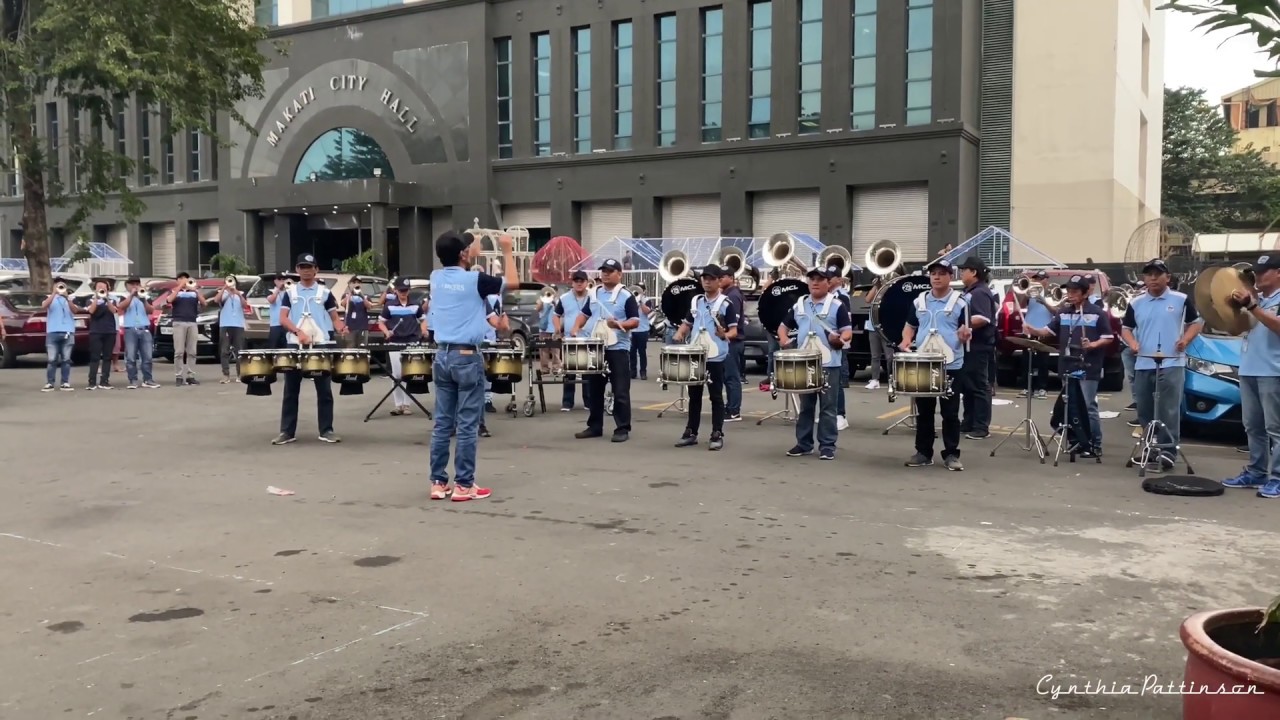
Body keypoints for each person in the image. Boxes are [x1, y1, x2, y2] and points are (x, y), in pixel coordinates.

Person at [427, 230, 518, 502]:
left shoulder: (435, 278)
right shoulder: (475, 280)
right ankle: (464, 484)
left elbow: (457, 268)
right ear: (463, 254)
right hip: (466, 355)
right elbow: (512, 282)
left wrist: (470, 248)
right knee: (467, 422)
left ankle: (438, 482)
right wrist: (507, 250)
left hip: (442, 354)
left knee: (443, 422)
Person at [1120, 258, 1202, 471]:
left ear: (1168, 277)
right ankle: (1151, 446)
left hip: (1172, 361)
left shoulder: (1180, 299)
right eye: (1149, 274)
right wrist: (1133, 343)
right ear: (1144, 278)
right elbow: (1126, 328)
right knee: (1145, 408)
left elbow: (1196, 323)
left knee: (1168, 408)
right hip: (1144, 361)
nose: (1153, 278)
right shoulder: (1136, 303)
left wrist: (1185, 340)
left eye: (1158, 274)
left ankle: (1168, 450)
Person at [1026, 275, 1112, 458]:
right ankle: (1079, 441)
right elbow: (1047, 331)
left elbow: (1108, 337)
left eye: (1074, 292)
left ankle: (1095, 444)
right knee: (1070, 405)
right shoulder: (1063, 312)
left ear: (1085, 293)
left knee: (1088, 405)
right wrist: (1032, 330)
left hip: (1088, 365)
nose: (1070, 295)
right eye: (1069, 291)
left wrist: (1093, 344)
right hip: (1067, 364)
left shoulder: (1097, 313)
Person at [898, 259, 971, 471]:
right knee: (925, 411)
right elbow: (910, 326)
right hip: (924, 363)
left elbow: (965, 329)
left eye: (941, 273)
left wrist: (965, 335)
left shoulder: (960, 302)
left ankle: (951, 454)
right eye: (933, 274)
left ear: (950, 276)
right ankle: (923, 452)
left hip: (951, 364)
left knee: (950, 412)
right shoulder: (919, 301)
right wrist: (906, 340)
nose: (936, 277)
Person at [778, 267, 854, 460]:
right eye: (812, 279)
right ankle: (804, 443)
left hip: (829, 362)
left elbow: (847, 331)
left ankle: (827, 445)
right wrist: (784, 339)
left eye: (820, 279)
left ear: (828, 283)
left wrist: (840, 339)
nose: (815, 282)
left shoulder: (837, 305)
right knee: (806, 406)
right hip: (804, 362)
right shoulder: (799, 305)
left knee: (828, 406)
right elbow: (783, 327)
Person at [273, 253, 347, 445]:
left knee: (324, 389)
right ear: (297, 270)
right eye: (302, 266)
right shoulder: (290, 293)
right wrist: (298, 332)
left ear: (316, 269)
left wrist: (340, 327)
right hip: (294, 344)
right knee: (291, 389)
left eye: (309, 266)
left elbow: (334, 317)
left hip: (320, 344)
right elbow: (283, 318)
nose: (306, 270)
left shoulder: (325, 293)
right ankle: (287, 432)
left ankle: (326, 430)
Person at [1222, 255, 1280, 497]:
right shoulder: (1257, 299)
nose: (1258, 275)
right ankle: (1256, 472)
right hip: (1248, 368)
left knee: (1275, 428)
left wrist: (1253, 307)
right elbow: (1239, 328)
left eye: (1265, 271)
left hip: (1273, 371)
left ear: (1278, 273)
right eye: (1257, 271)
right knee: (1253, 427)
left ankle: (1277, 477)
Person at [572, 258, 640, 442]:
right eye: (603, 271)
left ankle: (622, 428)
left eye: (610, 271)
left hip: (617, 348)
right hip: (596, 347)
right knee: (594, 388)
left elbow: (635, 320)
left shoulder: (626, 295)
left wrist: (619, 325)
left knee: (620, 389)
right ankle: (594, 426)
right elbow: (584, 314)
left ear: (619, 274)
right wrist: (575, 327)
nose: (606, 274)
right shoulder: (594, 293)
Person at [672, 264, 739, 450]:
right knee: (694, 395)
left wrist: (724, 334)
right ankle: (691, 431)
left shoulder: (726, 304)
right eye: (704, 278)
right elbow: (687, 323)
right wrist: (678, 334)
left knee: (716, 396)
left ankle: (717, 432)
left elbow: (734, 331)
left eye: (711, 278)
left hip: (715, 356)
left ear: (719, 281)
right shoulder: (696, 301)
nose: (707, 281)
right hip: (696, 354)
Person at [956, 257, 996, 440]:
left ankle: (981, 427)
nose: (961, 273)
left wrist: (960, 324)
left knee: (979, 386)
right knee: (968, 385)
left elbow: (983, 318)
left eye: (964, 269)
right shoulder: (969, 291)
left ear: (973, 272)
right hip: (968, 346)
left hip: (978, 345)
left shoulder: (979, 292)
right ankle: (968, 422)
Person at [377, 277, 428, 416]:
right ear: (396, 291)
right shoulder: (389, 306)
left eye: (405, 290)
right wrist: (386, 331)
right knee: (397, 375)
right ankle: (398, 404)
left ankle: (406, 404)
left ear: (409, 290)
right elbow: (381, 322)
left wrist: (423, 330)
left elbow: (423, 320)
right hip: (395, 343)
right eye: (401, 290)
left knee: (409, 374)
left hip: (411, 342)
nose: (403, 293)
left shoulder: (416, 305)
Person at [553, 271, 594, 411]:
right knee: (569, 371)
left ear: (586, 282)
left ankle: (588, 402)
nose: (579, 283)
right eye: (576, 280)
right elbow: (556, 315)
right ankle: (567, 402)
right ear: (572, 282)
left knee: (588, 371)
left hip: (590, 339)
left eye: (581, 281)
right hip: (571, 340)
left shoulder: (593, 297)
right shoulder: (564, 298)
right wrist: (558, 330)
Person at [1018, 270, 1055, 400]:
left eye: (1041, 279)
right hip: (1029, 328)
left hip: (1044, 329)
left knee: (1043, 361)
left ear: (1046, 281)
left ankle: (1042, 388)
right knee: (1026, 361)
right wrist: (1025, 293)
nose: (1038, 281)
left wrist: (1044, 301)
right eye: (1036, 279)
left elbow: (1056, 311)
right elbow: (1021, 304)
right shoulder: (1031, 293)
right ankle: (1026, 388)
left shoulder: (1052, 294)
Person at [165, 272, 208, 386]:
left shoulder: (194, 292)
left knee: (192, 351)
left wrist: (195, 290)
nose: (184, 281)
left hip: (192, 322)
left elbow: (204, 302)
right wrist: (179, 287)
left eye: (186, 278)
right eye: (181, 279)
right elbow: (169, 300)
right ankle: (178, 376)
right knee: (179, 351)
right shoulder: (174, 291)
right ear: (177, 280)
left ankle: (191, 375)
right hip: (179, 322)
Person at [41, 279, 82, 391]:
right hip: (52, 332)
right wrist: (54, 293)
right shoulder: (49, 297)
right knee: (52, 359)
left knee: (66, 359)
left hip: (68, 332)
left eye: (62, 285)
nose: (60, 287)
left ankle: (65, 382)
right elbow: (44, 306)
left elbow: (75, 311)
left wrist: (67, 298)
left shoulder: (71, 298)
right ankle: (50, 382)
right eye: (58, 285)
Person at [119, 277, 160, 389]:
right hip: (130, 329)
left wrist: (143, 300)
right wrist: (131, 295)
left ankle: (148, 379)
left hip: (144, 328)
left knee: (147, 357)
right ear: (127, 286)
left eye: (137, 284)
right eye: (132, 284)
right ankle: (133, 380)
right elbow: (121, 307)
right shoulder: (124, 297)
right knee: (131, 357)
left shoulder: (145, 296)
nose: (135, 286)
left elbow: (151, 310)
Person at [720, 271, 747, 421]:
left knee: (732, 377)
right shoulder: (727, 294)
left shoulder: (733, 296)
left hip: (733, 341)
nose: (720, 279)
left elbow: (732, 322)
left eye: (723, 276)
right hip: (728, 341)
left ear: (731, 278)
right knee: (727, 377)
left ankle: (734, 410)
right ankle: (730, 406)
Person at [85, 280, 120, 390]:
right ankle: (92, 381)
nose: (101, 288)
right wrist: (97, 298)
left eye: (103, 287)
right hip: (96, 331)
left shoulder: (112, 300)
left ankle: (104, 381)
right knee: (95, 357)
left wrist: (106, 299)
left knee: (107, 357)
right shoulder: (90, 299)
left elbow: (114, 310)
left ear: (107, 289)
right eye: (99, 287)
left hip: (109, 331)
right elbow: (91, 311)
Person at [829, 273, 852, 430]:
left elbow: (846, 321)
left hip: (838, 342)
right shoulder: (827, 296)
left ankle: (840, 415)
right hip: (825, 343)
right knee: (826, 382)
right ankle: (830, 413)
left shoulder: (841, 296)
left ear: (839, 279)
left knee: (836, 382)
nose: (829, 279)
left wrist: (843, 340)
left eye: (832, 277)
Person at [215, 278, 247, 384]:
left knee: (239, 351)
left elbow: (245, 305)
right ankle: (226, 375)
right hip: (225, 324)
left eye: (231, 281)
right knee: (224, 350)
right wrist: (225, 289)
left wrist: (238, 294)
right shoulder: (222, 293)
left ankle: (240, 374)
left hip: (238, 325)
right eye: (227, 281)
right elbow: (216, 300)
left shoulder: (240, 293)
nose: (230, 283)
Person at [864, 276, 891, 390]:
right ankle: (875, 380)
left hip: (886, 328)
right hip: (873, 327)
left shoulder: (890, 289)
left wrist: (885, 285)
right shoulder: (876, 288)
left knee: (890, 356)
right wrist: (876, 285)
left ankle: (892, 379)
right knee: (875, 356)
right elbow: (868, 300)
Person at [534, 288, 562, 378]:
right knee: (544, 350)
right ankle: (545, 369)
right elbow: (537, 309)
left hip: (554, 329)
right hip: (544, 330)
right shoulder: (541, 299)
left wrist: (554, 302)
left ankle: (556, 368)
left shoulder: (558, 301)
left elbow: (562, 313)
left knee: (556, 350)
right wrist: (542, 302)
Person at [340, 280, 371, 349]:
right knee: (350, 347)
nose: (356, 284)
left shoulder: (366, 296)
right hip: (349, 327)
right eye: (354, 283)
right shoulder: (346, 295)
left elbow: (369, 306)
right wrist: (350, 292)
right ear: (350, 284)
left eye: (358, 283)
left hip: (362, 326)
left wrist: (362, 296)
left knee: (363, 348)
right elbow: (343, 304)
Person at [631, 288, 652, 380]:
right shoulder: (630, 300)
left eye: (640, 290)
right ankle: (632, 372)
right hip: (632, 330)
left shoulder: (647, 300)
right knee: (632, 352)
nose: (637, 292)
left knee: (642, 352)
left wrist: (640, 302)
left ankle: (643, 372)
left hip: (643, 330)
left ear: (643, 291)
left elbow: (647, 312)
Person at [266, 274, 289, 349]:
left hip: (288, 324)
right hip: (275, 324)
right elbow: (271, 300)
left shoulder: (289, 291)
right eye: (279, 279)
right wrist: (278, 289)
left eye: (283, 279)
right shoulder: (271, 291)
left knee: (287, 347)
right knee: (274, 347)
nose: (282, 281)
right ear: (275, 281)